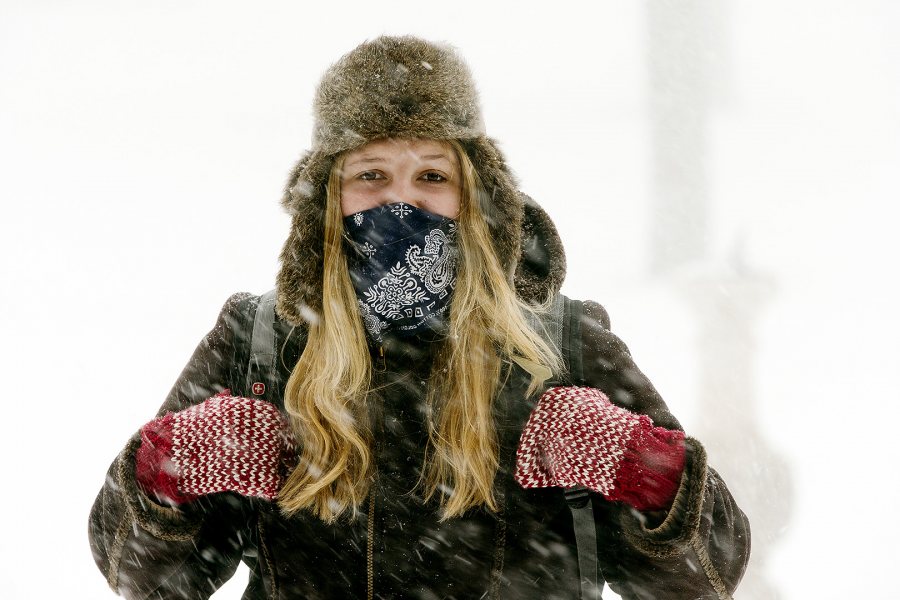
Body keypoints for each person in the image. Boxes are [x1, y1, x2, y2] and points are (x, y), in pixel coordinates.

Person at [88, 36, 750, 599]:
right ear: (327, 198)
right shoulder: (259, 345)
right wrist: (164, 474)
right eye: (371, 175)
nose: (401, 201)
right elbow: (134, 573)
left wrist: (650, 475)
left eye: (431, 177)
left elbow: (709, 574)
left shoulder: (560, 349)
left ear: (474, 195)